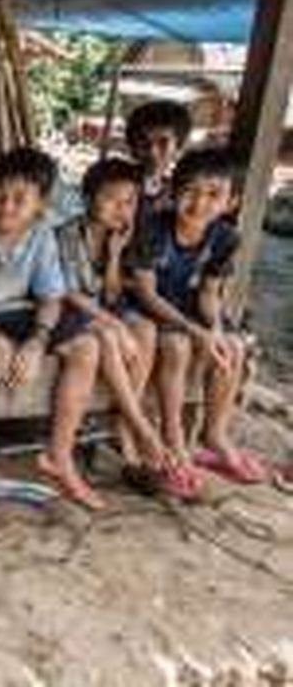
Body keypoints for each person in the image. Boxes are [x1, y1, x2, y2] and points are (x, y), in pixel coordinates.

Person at [0, 147, 105, 524]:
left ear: (40, 206)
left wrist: (36, 341)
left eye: (19, 200)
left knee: (87, 345)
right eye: (0, 196)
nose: (6, 208)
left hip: (16, 312)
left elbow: (51, 297)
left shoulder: (42, 235)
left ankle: (58, 455)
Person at [55, 158, 197, 498]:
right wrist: (113, 323)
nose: (122, 208)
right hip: (70, 310)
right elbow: (68, 293)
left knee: (146, 330)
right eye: (111, 198)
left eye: (130, 201)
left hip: (103, 307)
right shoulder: (67, 234)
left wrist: (116, 255)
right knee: (109, 334)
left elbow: (113, 293)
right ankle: (139, 425)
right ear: (88, 198)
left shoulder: (122, 237)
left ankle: (124, 423)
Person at [130, 147, 267, 484]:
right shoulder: (152, 228)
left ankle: (215, 434)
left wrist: (215, 329)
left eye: (214, 194)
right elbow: (146, 294)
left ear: (231, 202)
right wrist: (196, 331)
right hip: (151, 308)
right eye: (190, 191)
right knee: (177, 347)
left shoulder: (225, 237)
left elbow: (209, 293)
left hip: (190, 309)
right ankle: (174, 437)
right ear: (174, 192)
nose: (200, 203)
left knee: (233, 347)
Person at [124, 100, 193, 215]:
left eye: (163, 142)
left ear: (179, 146)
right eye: (144, 142)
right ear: (133, 145)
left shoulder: (180, 191)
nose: (152, 152)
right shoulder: (114, 182)